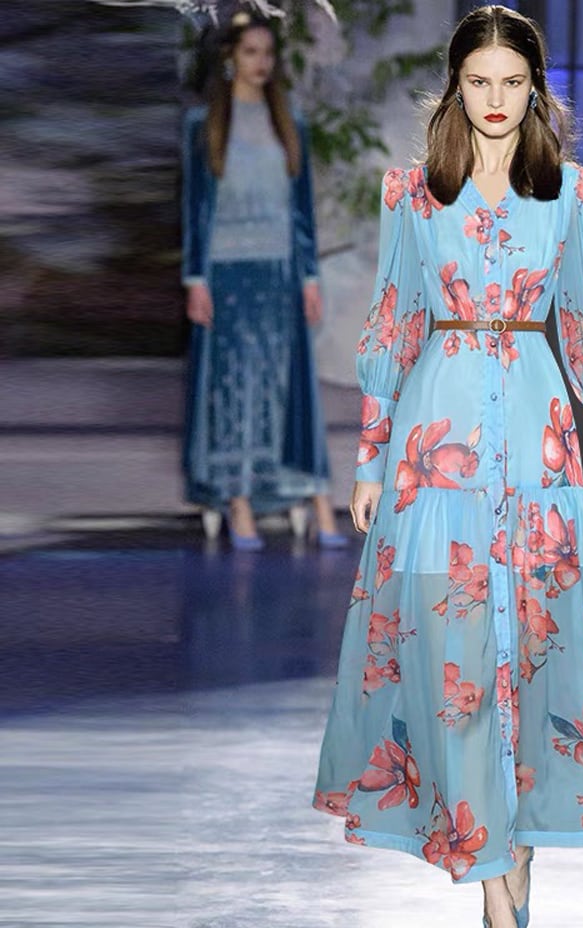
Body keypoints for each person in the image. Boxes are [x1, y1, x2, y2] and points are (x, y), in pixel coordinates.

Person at [313, 5, 583, 928]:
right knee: (460, 676)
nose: (493, 98)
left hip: (539, 448)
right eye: (477, 80)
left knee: (532, 671)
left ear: (534, 88)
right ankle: (497, 917)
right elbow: (394, 324)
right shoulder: (410, 194)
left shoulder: (570, 192)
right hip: (435, 460)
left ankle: (511, 887)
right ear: (455, 85)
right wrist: (367, 462)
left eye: (510, 82)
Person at [181, 12, 347, 550]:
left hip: (280, 271)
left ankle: (308, 491)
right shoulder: (204, 124)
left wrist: (310, 277)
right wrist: (195, 278)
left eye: (268, 53)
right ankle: (238, 498)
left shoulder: (288, 121)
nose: (261, 62)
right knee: (232, 385)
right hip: (226, 272)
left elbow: (301, 210)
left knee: (285, 383)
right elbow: (195, 207)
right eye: (251, 52)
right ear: (231, 56)